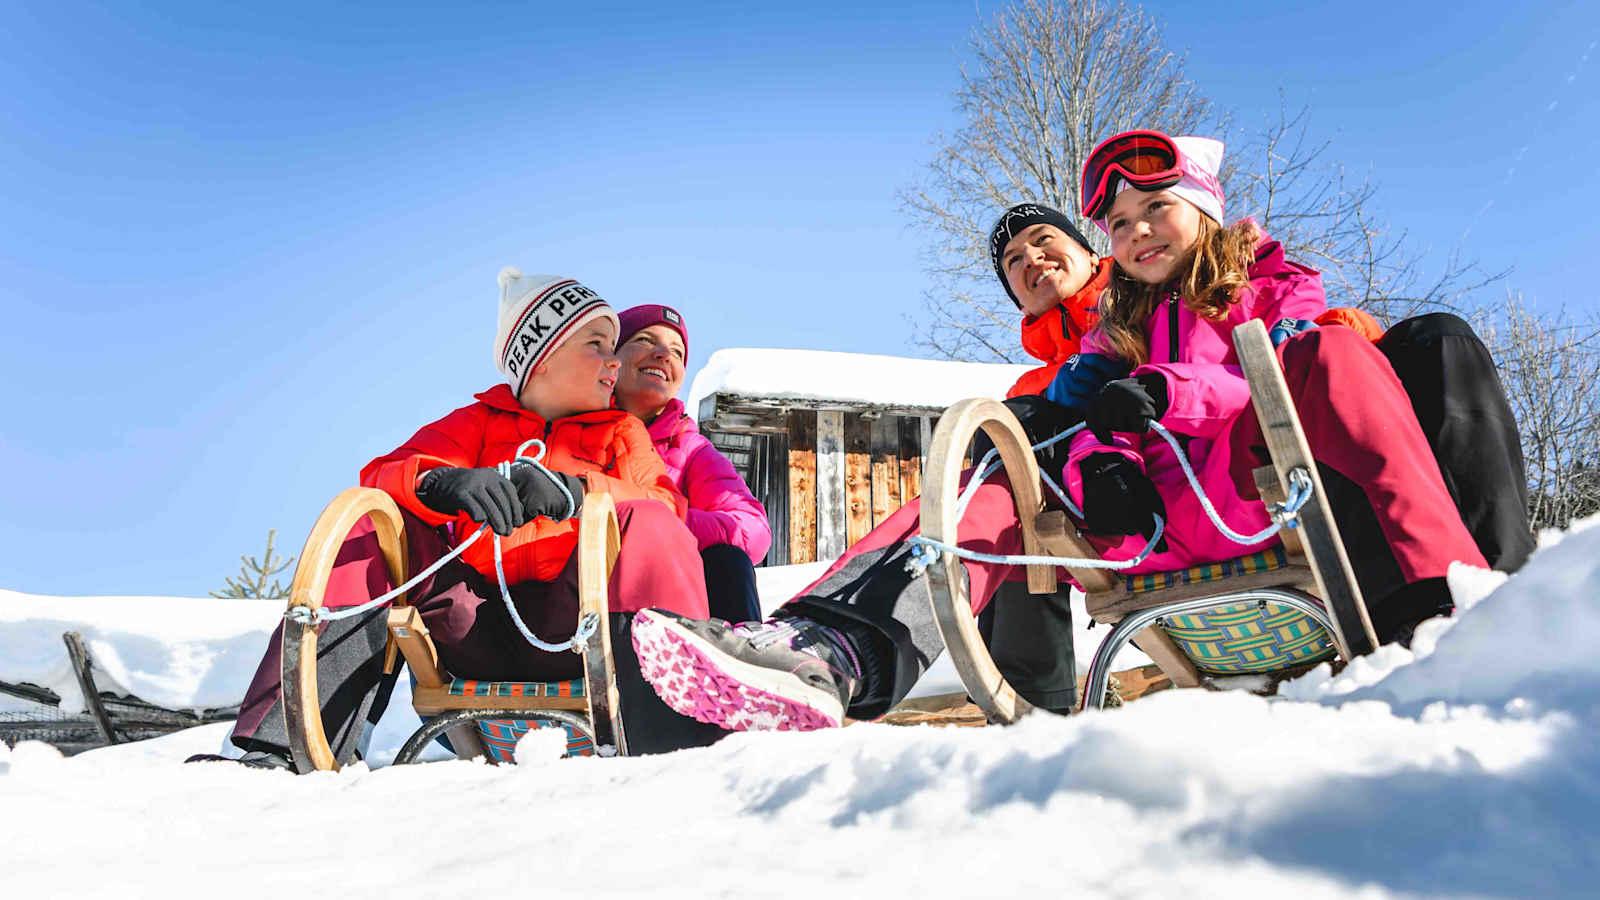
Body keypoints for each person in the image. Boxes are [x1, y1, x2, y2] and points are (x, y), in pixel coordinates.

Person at [624, 131, 1497, 734]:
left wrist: (1160, 388)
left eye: (1154, 209)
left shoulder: (1268, 287)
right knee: (1001, 455)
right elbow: (1080, 418)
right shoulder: (1104, 337)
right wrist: (1100, 452)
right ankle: (831, 650)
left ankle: (1453, 608)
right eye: (1117, 222)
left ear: (1205, 210)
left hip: (1257, 494)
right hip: (1147, 529)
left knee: (1340, 354)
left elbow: (1273, 372)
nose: (1135, 231)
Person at [210, 269, 723, 769]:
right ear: (541, 358)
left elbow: (666, 504)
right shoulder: (477, 422)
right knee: (374, 525)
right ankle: (283, 746)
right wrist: (438, 483)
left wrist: (578, 492)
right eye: (597, 344)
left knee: (652, 524)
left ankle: (675, 734)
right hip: (472, 619)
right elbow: (381, 474)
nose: (615, 362)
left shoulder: (620, 433)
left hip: (574, 626)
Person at [611, 304, 772, 624]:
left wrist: (663, 526)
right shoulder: (570, 429)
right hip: (580, 595)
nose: (663, 354)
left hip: (666, 605)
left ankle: (733, 665)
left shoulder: (690, 449)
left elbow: (752, 530)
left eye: (676, 351)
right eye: (644, 339)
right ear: (610, 359)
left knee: (728, 561)